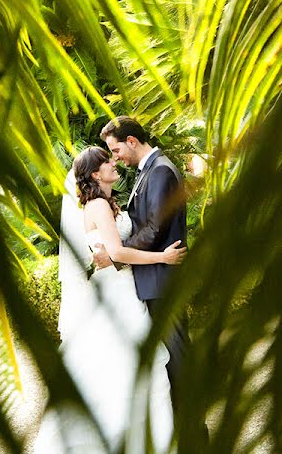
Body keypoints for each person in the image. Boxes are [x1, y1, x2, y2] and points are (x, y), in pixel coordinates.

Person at [34, 146, 185, 453]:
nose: (114, 163)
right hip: (116, 292)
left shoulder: (105, 203)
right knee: (125, 367)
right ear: (94, 174)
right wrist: (163, 257)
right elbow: (116, 253)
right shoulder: (98, 206)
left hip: (121, 288)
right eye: (107, 162)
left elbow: (111, 251)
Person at [96, 116, 192, 418]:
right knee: (172, 358)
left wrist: (116, 255)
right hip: (154, 278)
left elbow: (154, 230)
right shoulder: (149, 170)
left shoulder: (161, 171)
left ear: (132, 141)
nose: (116, 157)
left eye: (115, 150)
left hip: (163, 279)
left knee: (178, 358)